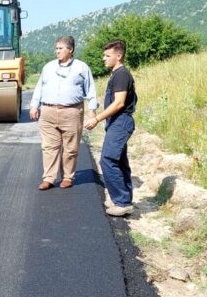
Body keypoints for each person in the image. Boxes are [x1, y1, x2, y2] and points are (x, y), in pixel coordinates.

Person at [28, 36, 98, 190]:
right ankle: (49, 178)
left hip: (72, 112)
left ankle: (67, 177)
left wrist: (92, 112)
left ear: (70, 50)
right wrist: (34, 105)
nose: (57, 51)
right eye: (56, 48)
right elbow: (40, 87)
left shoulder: (81, 68)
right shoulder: (48, 67)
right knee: (49, 147)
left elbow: (91, 90)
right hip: (48, 111)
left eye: (60, 48)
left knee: (71, 148)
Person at [85, 40, 138, 216]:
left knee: (107, 159)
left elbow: (119, 103)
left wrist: (97, 119)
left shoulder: (122, 75)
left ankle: (122, 202)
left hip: (121, 122)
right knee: (120, 161)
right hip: (116, 122)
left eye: (107, 56)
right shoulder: (116, 74)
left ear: (119, 55)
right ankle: (122, 199)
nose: (103, 59)